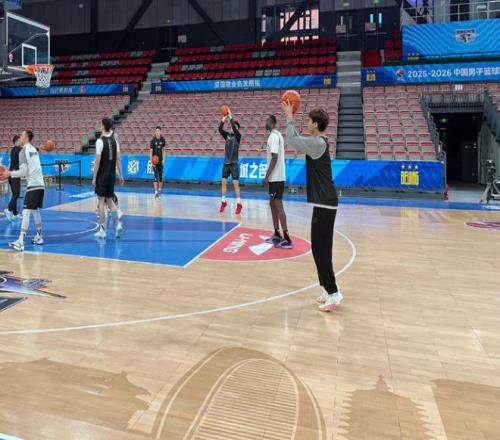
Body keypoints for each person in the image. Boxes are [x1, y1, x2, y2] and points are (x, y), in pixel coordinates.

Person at [281, 101, 343, 312]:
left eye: (308, 120)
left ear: (316, 124)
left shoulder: (317, 143)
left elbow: (291, 140)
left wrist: (289, 116)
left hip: (326, 203)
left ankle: (334, 293)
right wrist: (292, 121)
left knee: (321, 249)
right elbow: (295, 139)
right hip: (324, 202)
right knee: (319, 248)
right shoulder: (317, 142)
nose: (307, 123)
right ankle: (327, 289)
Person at [3, 130, 44, 252]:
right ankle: (39, 236)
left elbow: (24, 171)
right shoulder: (32, 149)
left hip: (33, 185)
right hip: (40, 185)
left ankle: (20, 241)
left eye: (21, 135)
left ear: (26, 137)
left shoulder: (23, 151)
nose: (20, 137)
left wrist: (10, 173)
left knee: (26, 212)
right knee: (35, 211)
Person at [93, 117, 124, 239]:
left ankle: (102, 230)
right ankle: (117, 225)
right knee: (110, 201)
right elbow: (118, 160)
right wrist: (121, 175)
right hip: (111, 175)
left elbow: (97, 161)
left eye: (101, 124)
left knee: (101, 202)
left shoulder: (100, 142)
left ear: (103, 126)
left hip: (102, 176)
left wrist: (94, 177)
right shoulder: (115, 141)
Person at [263, 115, 292, 249]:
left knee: (278, 205)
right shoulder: (278, 135)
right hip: (276, 177)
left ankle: (287, 238)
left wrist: (267, 176)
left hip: (276, 177)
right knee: (272, 203)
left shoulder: (273, 137)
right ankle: (276, 233)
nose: (265, 123)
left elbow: (274, 157)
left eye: (266, 121)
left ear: (271, 123)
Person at [218, 110, 243, 214]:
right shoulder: (227, 135)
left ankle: (239, 203)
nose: (233, 128)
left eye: (235, 127)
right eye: (233, 127)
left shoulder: (238, 136)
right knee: (223, 182)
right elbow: (220, 129)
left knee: (235, 184)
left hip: (234, 163)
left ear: (237, 129)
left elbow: (233, 126)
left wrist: (231, 116)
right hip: (226, 163)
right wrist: (224, 118)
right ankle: (223, 201)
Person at [3, 134, 22, 222]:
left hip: (10, 174)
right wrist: (37, 149)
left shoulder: (13, 150)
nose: (21, 141)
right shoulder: (18, 149)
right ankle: (8, 209)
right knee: (16, 194)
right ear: (16, 141)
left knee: (15, 194)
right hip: (14, 175)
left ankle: (15, 214)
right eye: (20, 140)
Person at [150, 126, 166, 198]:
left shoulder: (163, 139)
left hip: (160, 161)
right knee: (155, 176)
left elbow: (164, 150)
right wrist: (151, 162)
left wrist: (164, 160)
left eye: (158, 131)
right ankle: (156, 192)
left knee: (161, 177)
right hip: (155, 161)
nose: (157, 132)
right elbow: (150, 152)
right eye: (156, 131)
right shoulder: (153, 140)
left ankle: (159, 190)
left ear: (160, 132)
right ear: (155, 132)